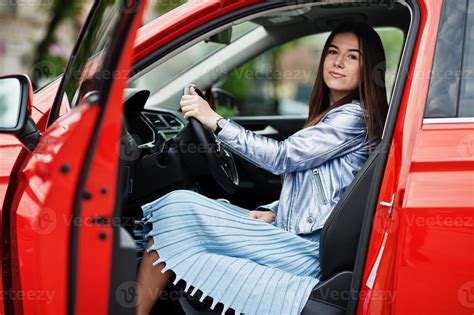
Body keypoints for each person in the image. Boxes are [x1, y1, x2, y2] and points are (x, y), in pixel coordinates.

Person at [135, 21, 389, 315]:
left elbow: (283, 158)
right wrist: (274, 210)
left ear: (368, 68)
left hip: (307, 251)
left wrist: (215, 121)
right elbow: (326, 189)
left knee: (179, 208)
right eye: (333, 51)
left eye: (353, 56)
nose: (338, 62)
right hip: (296, 233)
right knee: (183, 211)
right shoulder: (332, 114)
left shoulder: (353, 117)